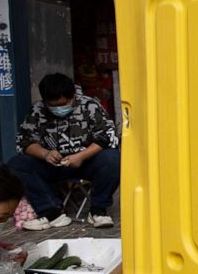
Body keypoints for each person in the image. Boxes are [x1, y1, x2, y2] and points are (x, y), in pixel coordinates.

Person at [8, 72, 121, 230]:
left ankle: (98, 210)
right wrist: (45, 154)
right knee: (17, 164)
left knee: (113, 158)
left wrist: (81, 156)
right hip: (53, 166)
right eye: (52, 106)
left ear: (73, 95)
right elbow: (25, 141)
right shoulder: (37, 110)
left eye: (63, 104)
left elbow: (107, 137)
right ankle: (51, 212)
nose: (58, 109)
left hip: (86, 163)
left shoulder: (90, 106)